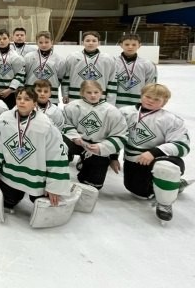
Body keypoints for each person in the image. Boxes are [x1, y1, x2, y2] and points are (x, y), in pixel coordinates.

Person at [0, 87, 70, 210]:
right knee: (8, 203)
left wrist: (54, 186)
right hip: (10, 175)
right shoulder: (4, 118)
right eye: (19, 98)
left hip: (37, 179)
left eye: (27, 99)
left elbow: (57, 154)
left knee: (45, 208)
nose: (22, 101)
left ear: (35, 103)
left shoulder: (45, 124)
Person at [120, 83, 191, 221]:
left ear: (164, 102)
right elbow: (114, 134)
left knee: (166, 168)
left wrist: (154, 152)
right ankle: (174, 186)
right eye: (148, 96)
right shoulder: (124, 113)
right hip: (134, 162)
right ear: (141, 96)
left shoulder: (170, 120)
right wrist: (113, 156)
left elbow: (182, 146)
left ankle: (165, 203)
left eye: (157, 99)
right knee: (139, 193)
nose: (151, 101)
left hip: (159, 159)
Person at [62, 80, 127, 191]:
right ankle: (59, 169)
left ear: (101, 92)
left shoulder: (112, 111)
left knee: (93, 185)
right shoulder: (72, 106)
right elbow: (64, 124)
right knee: (59, 143)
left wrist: (107, 152)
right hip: (76, 142)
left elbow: (120, 134)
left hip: (97, 147)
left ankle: (86, 163)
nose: (93, 95)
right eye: (89, 92)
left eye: (96, 92)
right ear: (82, 93)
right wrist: (74, 137)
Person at [62, 31, 117, 105]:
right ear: (82, 42)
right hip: (76, 97)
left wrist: (111, 100)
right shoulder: (73, 57)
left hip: (99, 99)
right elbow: (66, 77)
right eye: (87, 40)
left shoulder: (108, 59)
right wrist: (65, 94)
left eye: (94, 41)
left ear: (99, 43)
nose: (91, 43)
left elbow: (112, 80)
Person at [0, 28, 25, 109]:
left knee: (10, 113)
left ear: (9, 39)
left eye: (4, 38)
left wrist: (10, 89)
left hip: (10, 93)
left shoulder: (16, 56)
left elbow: (20, 74)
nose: (2, 41)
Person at [115, 33, 157, 108]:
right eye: (127, 44)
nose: (130, 47)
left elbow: (150, 85)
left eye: (134, 45)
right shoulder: (113, 62)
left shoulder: (147, 64)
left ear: (139, 45)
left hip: (138, 104)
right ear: (121, 45)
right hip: (116, 103)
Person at [23, 31, 66, 104]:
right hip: (31, 95)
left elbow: (61, 78)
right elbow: (24, 75)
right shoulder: (28, 57)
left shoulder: (59, 60)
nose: (44, 45)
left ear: (52, 42)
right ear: (37, 43)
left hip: (51, 96)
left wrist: (65, 94)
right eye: (41, 42)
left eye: (46, 42)